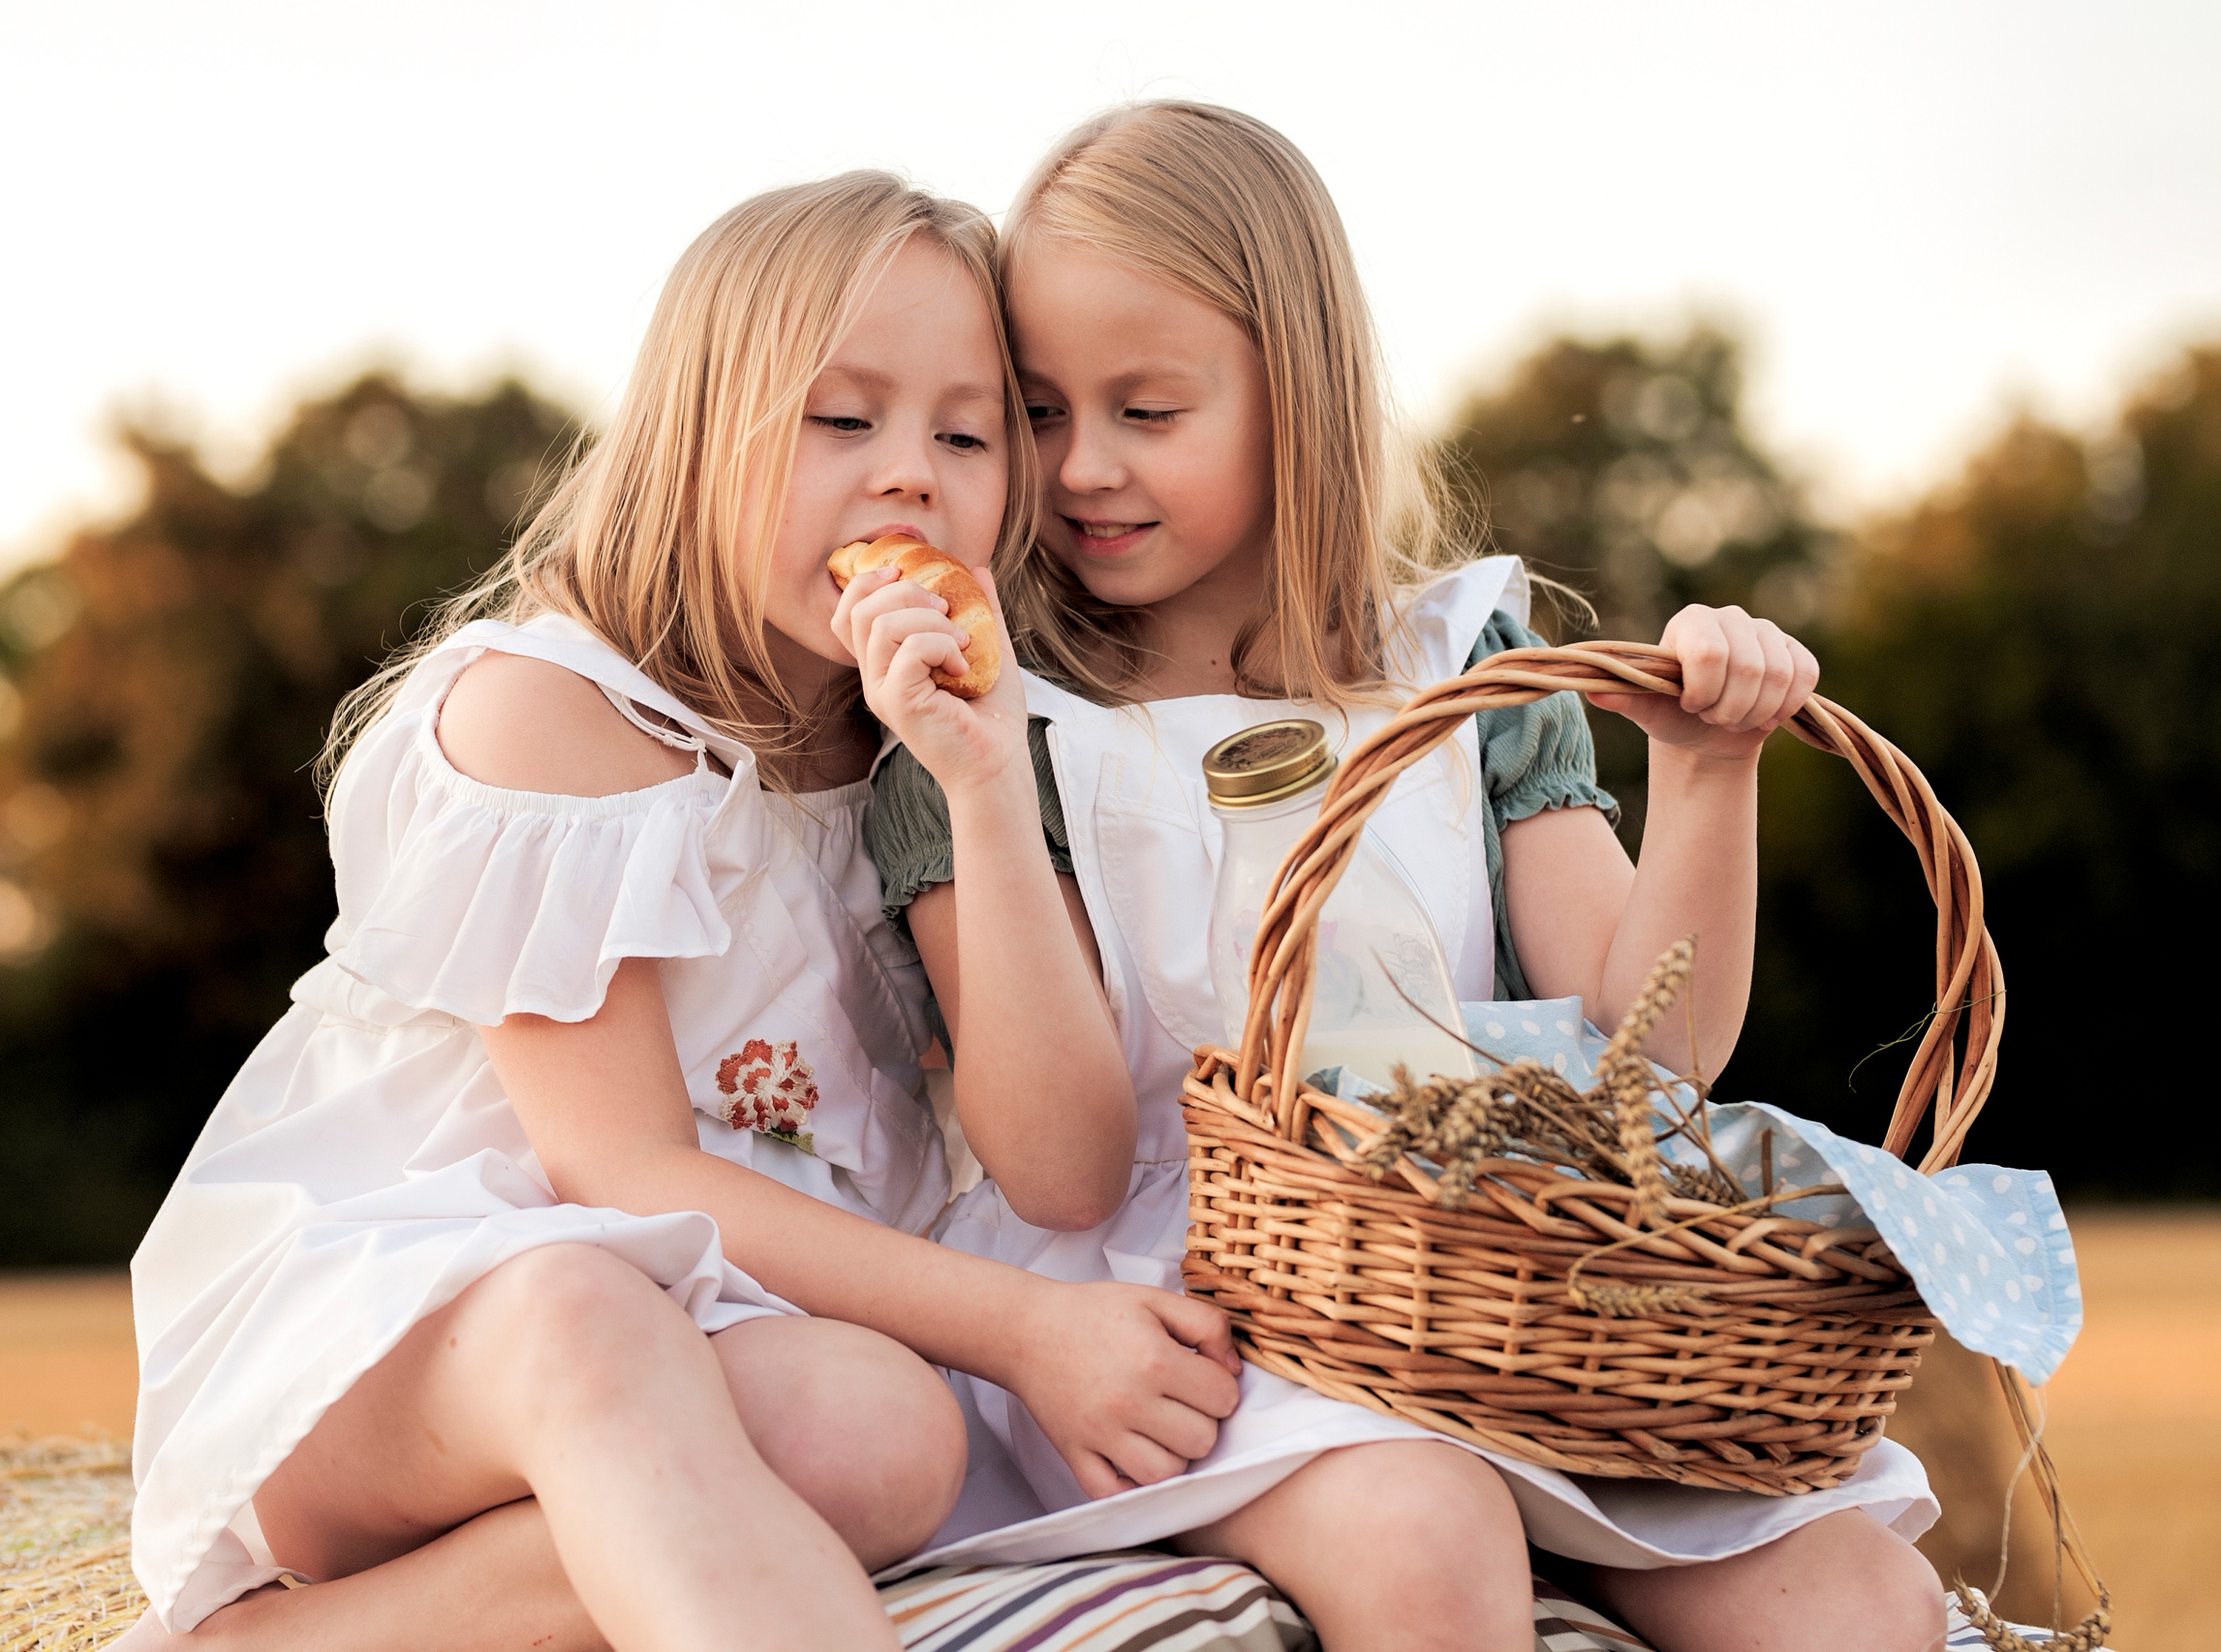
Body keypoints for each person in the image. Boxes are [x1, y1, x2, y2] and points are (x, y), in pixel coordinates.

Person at [846, 105, 1951, 1652]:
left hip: (1491, 1293)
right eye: (1037, 411)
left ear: (1296, 396)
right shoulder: (989, 715)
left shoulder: (1464, 662)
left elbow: (1655, 1063)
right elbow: (1062, 1170)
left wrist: (1708, 772)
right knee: (1426, 1535)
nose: (1082, 466)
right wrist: (970, 780)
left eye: (1149, 410)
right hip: (1192, 1324)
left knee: (1862, 1600)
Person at [117, 171, 1238, 1652]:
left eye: (967, 434)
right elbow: (623, 1171)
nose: (911, 474)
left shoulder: (922, 754)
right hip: (392, 1348)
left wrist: (976, 788)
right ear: (703, 428)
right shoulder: (555, 714)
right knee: (588, 1306)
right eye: (843, 419)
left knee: (890, 1435)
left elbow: (1069, 1163)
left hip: (693, 1333)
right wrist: (1025, 1330)